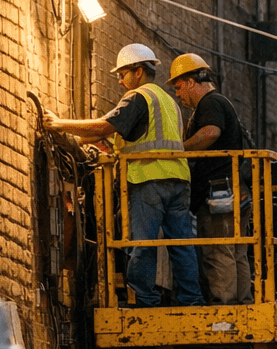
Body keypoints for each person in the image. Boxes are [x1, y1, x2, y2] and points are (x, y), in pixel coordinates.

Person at [43, 43, 202, 308]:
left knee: (141, 243)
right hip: (178, 180)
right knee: (181, 244)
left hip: (148, 179)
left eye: (123, 73)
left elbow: (105, 124)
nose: (119, 80)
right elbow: (110, 133)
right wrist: (75, 143)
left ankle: (145, 300)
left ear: (138, 72)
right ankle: (192, 300)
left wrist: (58, 123)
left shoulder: (138, 97)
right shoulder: (168, 102)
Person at [170, 53, 252, 305]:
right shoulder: (221, 102)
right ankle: (241, 305)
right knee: (235, 251)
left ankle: (224, 308)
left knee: (218, 251)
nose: (178, 95)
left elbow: (210, 132)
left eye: (179, 87)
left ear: (192, 81)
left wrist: (177, 151)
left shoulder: (210, 103)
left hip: (219, 193)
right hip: (234, 191)